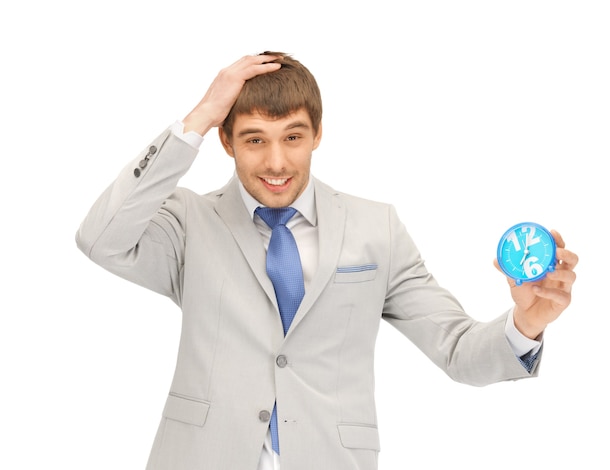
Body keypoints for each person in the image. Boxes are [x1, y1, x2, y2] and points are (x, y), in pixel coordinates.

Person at [75, 52, 578, 470]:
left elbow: (459, 351)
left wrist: (525, 323)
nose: (276, 162)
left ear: (317, 134)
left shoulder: (375, 227)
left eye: (292, 137)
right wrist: (200, 116)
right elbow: (100, 238)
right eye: (254, 140)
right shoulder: (188, 222)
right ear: (226, 142)